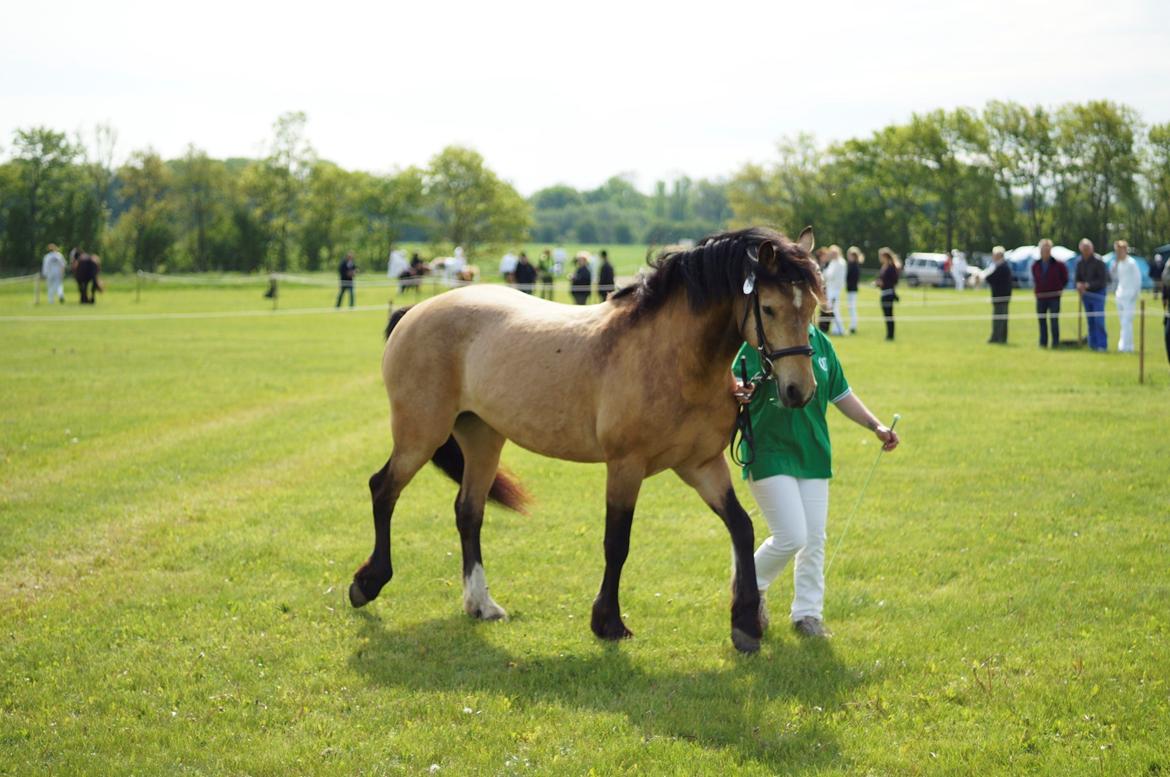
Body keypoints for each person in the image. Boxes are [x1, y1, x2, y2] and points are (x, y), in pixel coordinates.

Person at [731, 326, 899, 638]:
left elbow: (841, 393)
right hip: (768, 451)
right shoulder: (760, 339)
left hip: (812, 453)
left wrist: (875, 426)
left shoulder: (821, 343)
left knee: (814, 539)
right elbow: (732, 381)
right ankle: (750, 587)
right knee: (792, 535)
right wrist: (739, 389)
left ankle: (808, 614)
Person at [1031, 239, 1068, 348]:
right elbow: (1035, 280)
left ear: (1051, 250)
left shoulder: (1059, 264)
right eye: (1043, 249)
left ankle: (1055, 343)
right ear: (1040, 250)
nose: (1045, 251)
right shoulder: (1035, 265)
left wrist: (1060, 288)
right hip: (1040, 297)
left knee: (1054, 320)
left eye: (1048, 249)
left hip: (1054, 297)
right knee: (1042, 320)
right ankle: (1043, 342)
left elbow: (1065, 278)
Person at [1074, 238, 1109, 352]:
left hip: (1098, 294)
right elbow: (1077, 278)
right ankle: (1092, 344)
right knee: (1090, 321)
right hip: (1086, 295)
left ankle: (1102, 345)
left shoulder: (1099, 261)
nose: (1086, 251)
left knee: (1099, 320)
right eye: (1084, 249)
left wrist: (1088, 285)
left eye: (1088, 248)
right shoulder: (1079, 262)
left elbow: (1103, 281)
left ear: (1092, 248)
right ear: (1081, 250)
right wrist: (1079, 285)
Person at [1113, 240, 1141, 353]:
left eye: (1120, 250)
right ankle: (1125, 346)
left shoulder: (1131, 262)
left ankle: (1126, 346)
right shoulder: (1119, 263)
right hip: (1120, 295)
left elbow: (1137, 280)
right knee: (1122, 322)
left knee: (1127, 322)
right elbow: (1115, 277)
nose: (1119, 253)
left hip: (1129, 297)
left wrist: (1134, 295)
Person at [981, 246, 1012, 343]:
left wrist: (982, 276)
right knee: (1002, 319)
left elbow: (991, 278)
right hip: (1002, 297)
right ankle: (1002, 338)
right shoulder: (1002, 266)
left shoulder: (1001, 267)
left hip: (1001, 297)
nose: (993, 257)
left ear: (999, 256)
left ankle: (996, 338)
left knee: (999, 319)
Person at [875, 247, 900, 341]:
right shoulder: (884, 266)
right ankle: (889, 334)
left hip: (889, 293)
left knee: (889, 315)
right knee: (886, 315)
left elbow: (894, 281)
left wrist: (884, 283)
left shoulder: (891, 267)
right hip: (883, 292)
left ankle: (891, 335)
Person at [822, 245, 847, 335]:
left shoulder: (840, 263)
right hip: (830, 289)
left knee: (834, 310)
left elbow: (830, 275)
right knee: (833, 310)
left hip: (835, 290)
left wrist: (825, 274)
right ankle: (837, 329)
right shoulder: (833, 262)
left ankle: (841, 329)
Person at [845, 246, 863, 334]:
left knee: (852, 308)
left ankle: (853, 326)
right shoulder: (852, 265)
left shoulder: (854, 266)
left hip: (852, 289)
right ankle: (852, 325)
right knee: (851, 308)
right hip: (850, 289)